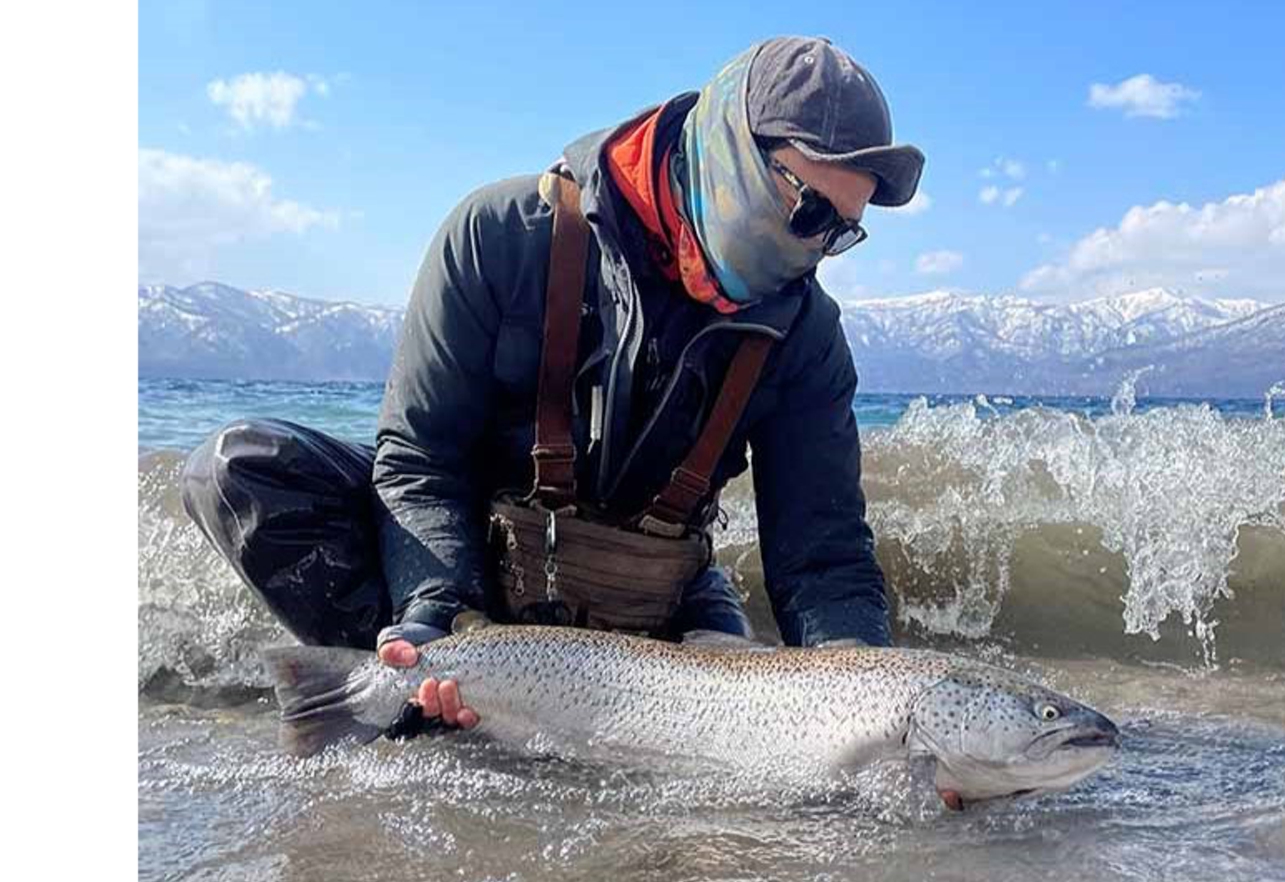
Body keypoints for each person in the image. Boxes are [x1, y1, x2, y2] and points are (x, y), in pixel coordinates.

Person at [181, 36, 924, 732]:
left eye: (842, 230)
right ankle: (406, 699)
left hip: (657, 612)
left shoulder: (806, 334)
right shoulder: (499, 234)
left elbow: (822, 556)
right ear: (729, 150)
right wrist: (436, 613)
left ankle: (527, 713)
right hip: (474, 568)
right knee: (241, 470)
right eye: (809, 209)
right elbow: (419, 459)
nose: (818, 248)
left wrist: (878, 717)